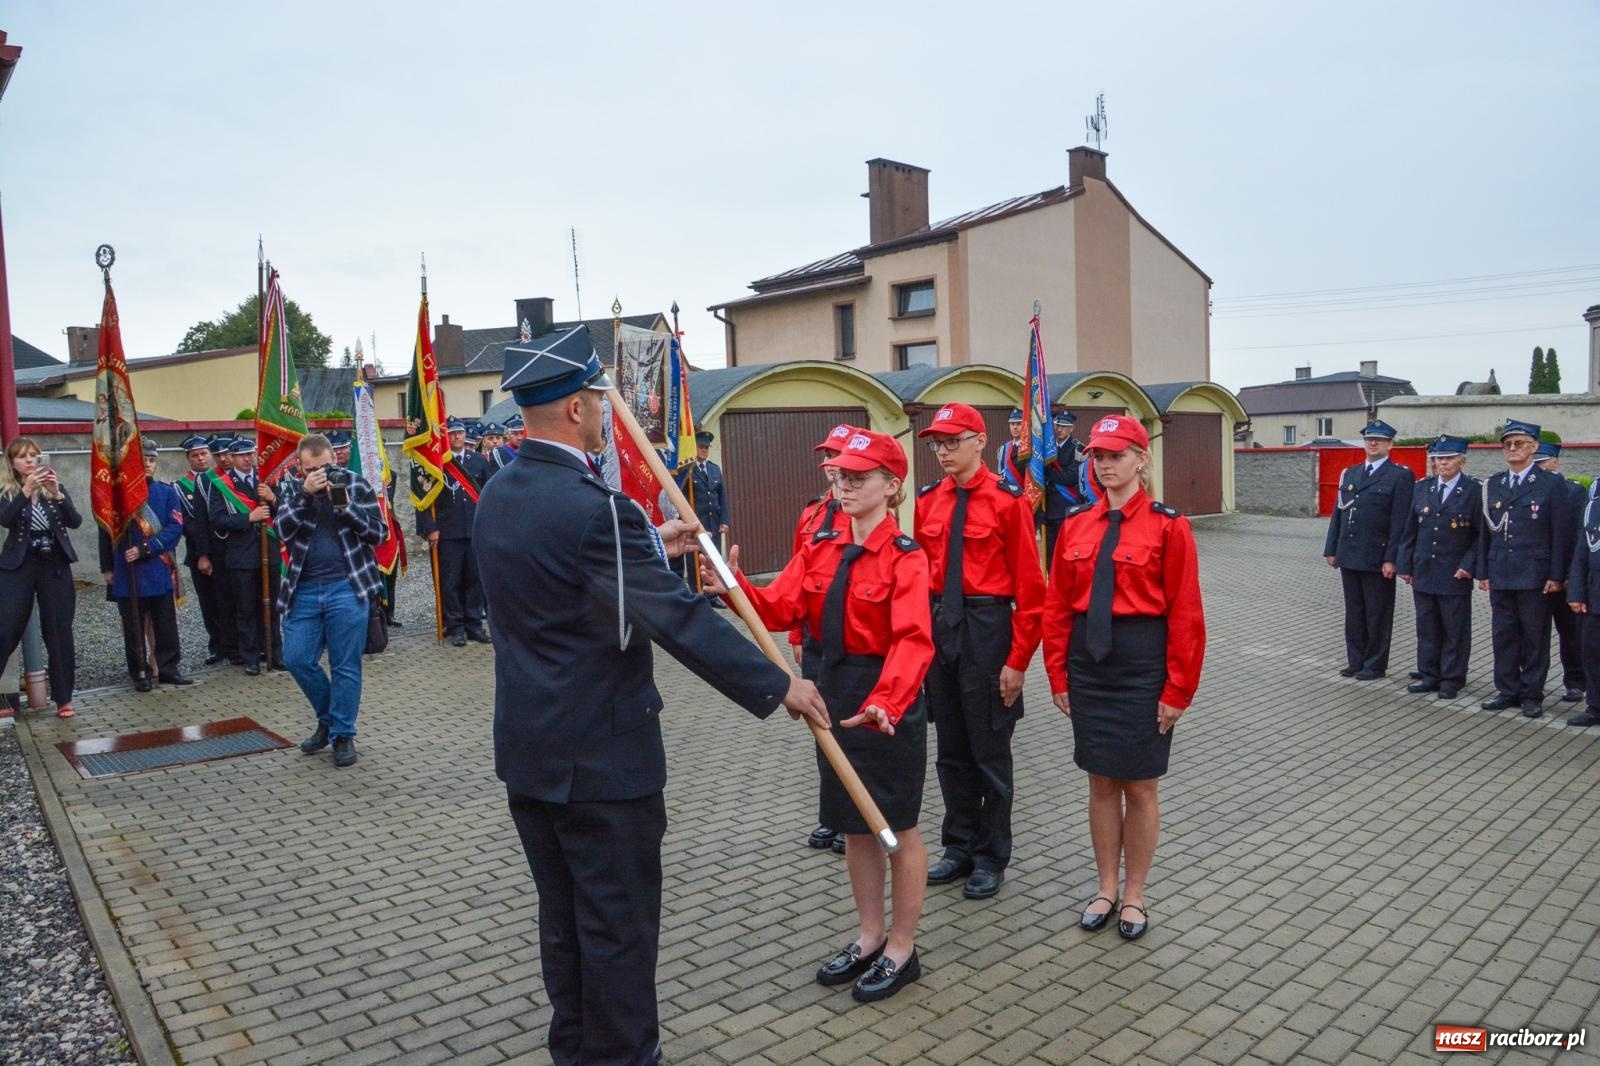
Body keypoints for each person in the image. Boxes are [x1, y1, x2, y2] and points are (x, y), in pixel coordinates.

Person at [473, 341, 830, 1064]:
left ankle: (575, 1050)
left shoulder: (500, 495)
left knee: (566, 923)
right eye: (600, 404)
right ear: (578, 409)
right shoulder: (591, 508)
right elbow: (677, 619)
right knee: (619, 929)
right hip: (604, 763)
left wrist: (649, 539)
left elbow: (567, 582)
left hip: (530, 753)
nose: (606, 415)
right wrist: (778, 683)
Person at [702, 428, 934, 1001]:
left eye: (860, 477)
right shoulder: (822, 547)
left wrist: (886, 702)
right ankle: (870, 935)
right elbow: (780, 605)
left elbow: (913, 640)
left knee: (896, 826)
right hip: (830, 692)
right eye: (841, 475)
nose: (845, 483)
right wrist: (733, 589)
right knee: (854, 823)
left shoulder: (907, 557)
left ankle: (902, 949)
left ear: (892, 487)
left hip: (886, 698)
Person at [1042, 414, 1205, 941]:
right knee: (1099, 782)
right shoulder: (1076, 523)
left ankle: (1135, 892)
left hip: (1142, 665)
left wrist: (1179, 688)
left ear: (1141, 459)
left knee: (1140, 784)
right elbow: (1058, 605)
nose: (1105, 464)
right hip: (1090, 665)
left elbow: (1186, 613)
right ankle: (1105, 886)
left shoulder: (1168, 524)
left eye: (1116, 455)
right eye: (1098, 456)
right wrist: (1058, 673)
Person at [914, 402, 1045, 900]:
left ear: (979, 441)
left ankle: (992, 856)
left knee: (990, 752)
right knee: (951, 751)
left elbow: (1032, 593)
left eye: (953, 441)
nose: (944, 452)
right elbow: (920, 576)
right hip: (940, 628)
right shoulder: (929, 501)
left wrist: (1017, 662)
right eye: (937, 444)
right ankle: (959, 846)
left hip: (988, 627)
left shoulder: (1009, 502)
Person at [275, 434, 387, 769]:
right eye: (312, 469)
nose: (320, 473)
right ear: (299, 466)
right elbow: (281, 530)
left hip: (346, 586)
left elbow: (378, 534)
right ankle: (328, 719)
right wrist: (306, 497)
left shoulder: (355, 484)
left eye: (325, 466)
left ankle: (342, 735)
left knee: (345, 665)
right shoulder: (292, 489)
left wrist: (345, 506)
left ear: (333, 460)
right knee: (296, 658)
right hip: (304, 589)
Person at [1479, 421, 1576, 718]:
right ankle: (1507, 690)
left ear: (1534, 448)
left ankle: (1532, 694)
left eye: (1518, 443)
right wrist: (1483, 571)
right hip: (1501, 571)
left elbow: (1561, 534)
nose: (1511, 449)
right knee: (1504, 634)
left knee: (1534, 637)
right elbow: (1486, 533)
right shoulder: (1494, 483)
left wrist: (1557, 575)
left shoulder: (1550, 483)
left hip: (1535, 574)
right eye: (1507, 444)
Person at [791, 422, 854, 854]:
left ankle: (855, 820)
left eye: (837, 454)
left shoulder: (865, 510)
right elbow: (796, 576)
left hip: (852, 640)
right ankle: (831, 817)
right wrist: (795, 633)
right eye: (827, 456)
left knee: (852, 732)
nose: (830, 465)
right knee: (821, 726)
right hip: (815, 637)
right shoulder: (812, 513)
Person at [1323, 420, 1413, 680]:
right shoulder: (1351, 473)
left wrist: (1392, 558)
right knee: (1355, 612)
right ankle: (1356, 660)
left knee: (1378, 613)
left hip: (1377, 557)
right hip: (1350, 553)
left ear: (1390, 444)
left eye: (1379, 440)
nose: (1373, 444)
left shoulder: (1400, 475)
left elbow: (1400, 521)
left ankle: (1374, 664)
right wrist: (1332, 548)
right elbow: (1339, 514)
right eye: (1369, 439)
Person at [1394, 435, 1482, 700]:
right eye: (1438, 458)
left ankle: (1452, 678)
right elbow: (1410, 530)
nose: (1442, 463)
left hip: (1454, 572)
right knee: (1427, 626)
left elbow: (1480, 536)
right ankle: (1429, 674)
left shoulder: (1474, 491)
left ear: (1461, 461)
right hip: (1425, 569)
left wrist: (1468, 566)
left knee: (1454, 629)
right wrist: (1405, 564)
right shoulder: (1423, 488)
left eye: (1448, 458)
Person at [98, 440, 189, 691]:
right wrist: (107, 567)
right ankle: (140, 672)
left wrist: (145, 549)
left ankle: (169, 668)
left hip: (157, 566)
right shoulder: (118, 498)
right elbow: (104, 533)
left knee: (165, 623)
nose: (148, 464)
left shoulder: (167, 492)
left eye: (151, 460)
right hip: (128, 570)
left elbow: (174, 528)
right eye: (143, 460)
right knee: (134, 626)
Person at [0, 437, 80, 718]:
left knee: (58, 631)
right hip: (19, 565)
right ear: (12, 463)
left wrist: (57, 493)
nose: (30, 460)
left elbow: (75, 520)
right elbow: (6, 519)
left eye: (34, 455)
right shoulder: (8, 491)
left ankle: (63, 699)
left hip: (53, 563)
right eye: (23, 457)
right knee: (6, 627)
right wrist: (26, 491)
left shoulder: (52, 488)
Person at [208, 437, 283, 675]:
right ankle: (250, 657)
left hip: (268, 552)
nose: (247, 458)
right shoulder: (221, 485)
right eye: (241, 455)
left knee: (272, 607)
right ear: (231, 458)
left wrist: (272, 499)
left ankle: (275, 653)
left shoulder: (268, 480)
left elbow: (287, 510)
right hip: (241, 556)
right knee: (246, 609)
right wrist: (248, 518)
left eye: (250, 454)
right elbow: (217, 519)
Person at [419, 415, 490, 646]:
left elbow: (488, 495)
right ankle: (455, 626)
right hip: (448, 532)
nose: (457, 436)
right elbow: (423, 499)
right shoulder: (435, 463)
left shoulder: (478, 460)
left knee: (475, 580)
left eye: (459, 432)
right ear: (445, 437)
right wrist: (430, 529)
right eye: (451, 433)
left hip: (475, 530)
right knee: (451, 582)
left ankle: (474, 625)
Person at [1534, 442, 1588, 703]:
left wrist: (1571, 577)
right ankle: (1530, 684)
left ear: (1555, 462)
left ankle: (1575, 682)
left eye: (1543, 461)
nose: (1539, 466)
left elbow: (1578, 538)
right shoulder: (1527, 489)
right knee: (1531, 634)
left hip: (1564, 577)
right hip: (1534, 576)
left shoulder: (1574, 492)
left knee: (1570, 633)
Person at [173, 434, 234, 666]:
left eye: (204, 454)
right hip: (201, 553)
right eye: (195, 455)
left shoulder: (223, 480)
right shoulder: (180, 487)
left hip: (228, 550)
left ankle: (235, 644)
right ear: (188, 459)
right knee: (210, 603)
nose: (200, 459)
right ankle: (217, 646)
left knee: (231, 600)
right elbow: (188, 523)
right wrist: (203, 553)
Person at [1565, 480, 1600, 727]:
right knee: (1592, 652)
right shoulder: (1596, 493)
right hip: (1595, 592)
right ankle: (1595, 706)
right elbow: (1582, 548)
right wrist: (1576, 592)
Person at [1042, 410, 1088, 565]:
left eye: (1064, 426)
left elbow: (1070, 478)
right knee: (1049, 553)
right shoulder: (1046, 448)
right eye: (1057, 425)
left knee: (1065, 551)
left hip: (1066, 506)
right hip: (1047, 507)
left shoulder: (1078, 449)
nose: (1059, 429)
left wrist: (1047, 472)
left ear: (1071, 428)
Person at [680, 429, 730, 558]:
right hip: (696, 526)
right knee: (696, 563)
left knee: (714, 562)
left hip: (714, 526)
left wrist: (724, 521)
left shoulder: (714, 469)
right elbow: (681, 498)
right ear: (694, 447)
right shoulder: (687, 470)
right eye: (701, 446)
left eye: (706, 447)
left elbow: (722, 497)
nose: (704, 450)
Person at [996, 408, 1025, 491]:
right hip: (1009, 492)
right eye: (1012, 424)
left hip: (1025, 492)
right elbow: (1001, 474)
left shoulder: (1030, 448)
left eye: (1019, 424)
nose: (1015, 427)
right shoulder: (1003, 449)